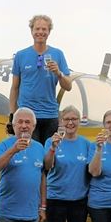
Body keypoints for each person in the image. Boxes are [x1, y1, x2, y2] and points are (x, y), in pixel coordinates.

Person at [9, 14, 72, 144]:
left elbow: (68, 86)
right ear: (31, 31)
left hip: (50, 115)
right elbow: (15, 88)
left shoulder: (58, 54)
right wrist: (12, 115)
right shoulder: (21, 55)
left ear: (49, 32)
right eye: (37, 29)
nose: (40, 32)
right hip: (27, 115)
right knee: (30, 153)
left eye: (44, 29)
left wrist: (58, 73)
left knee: (49, 154)